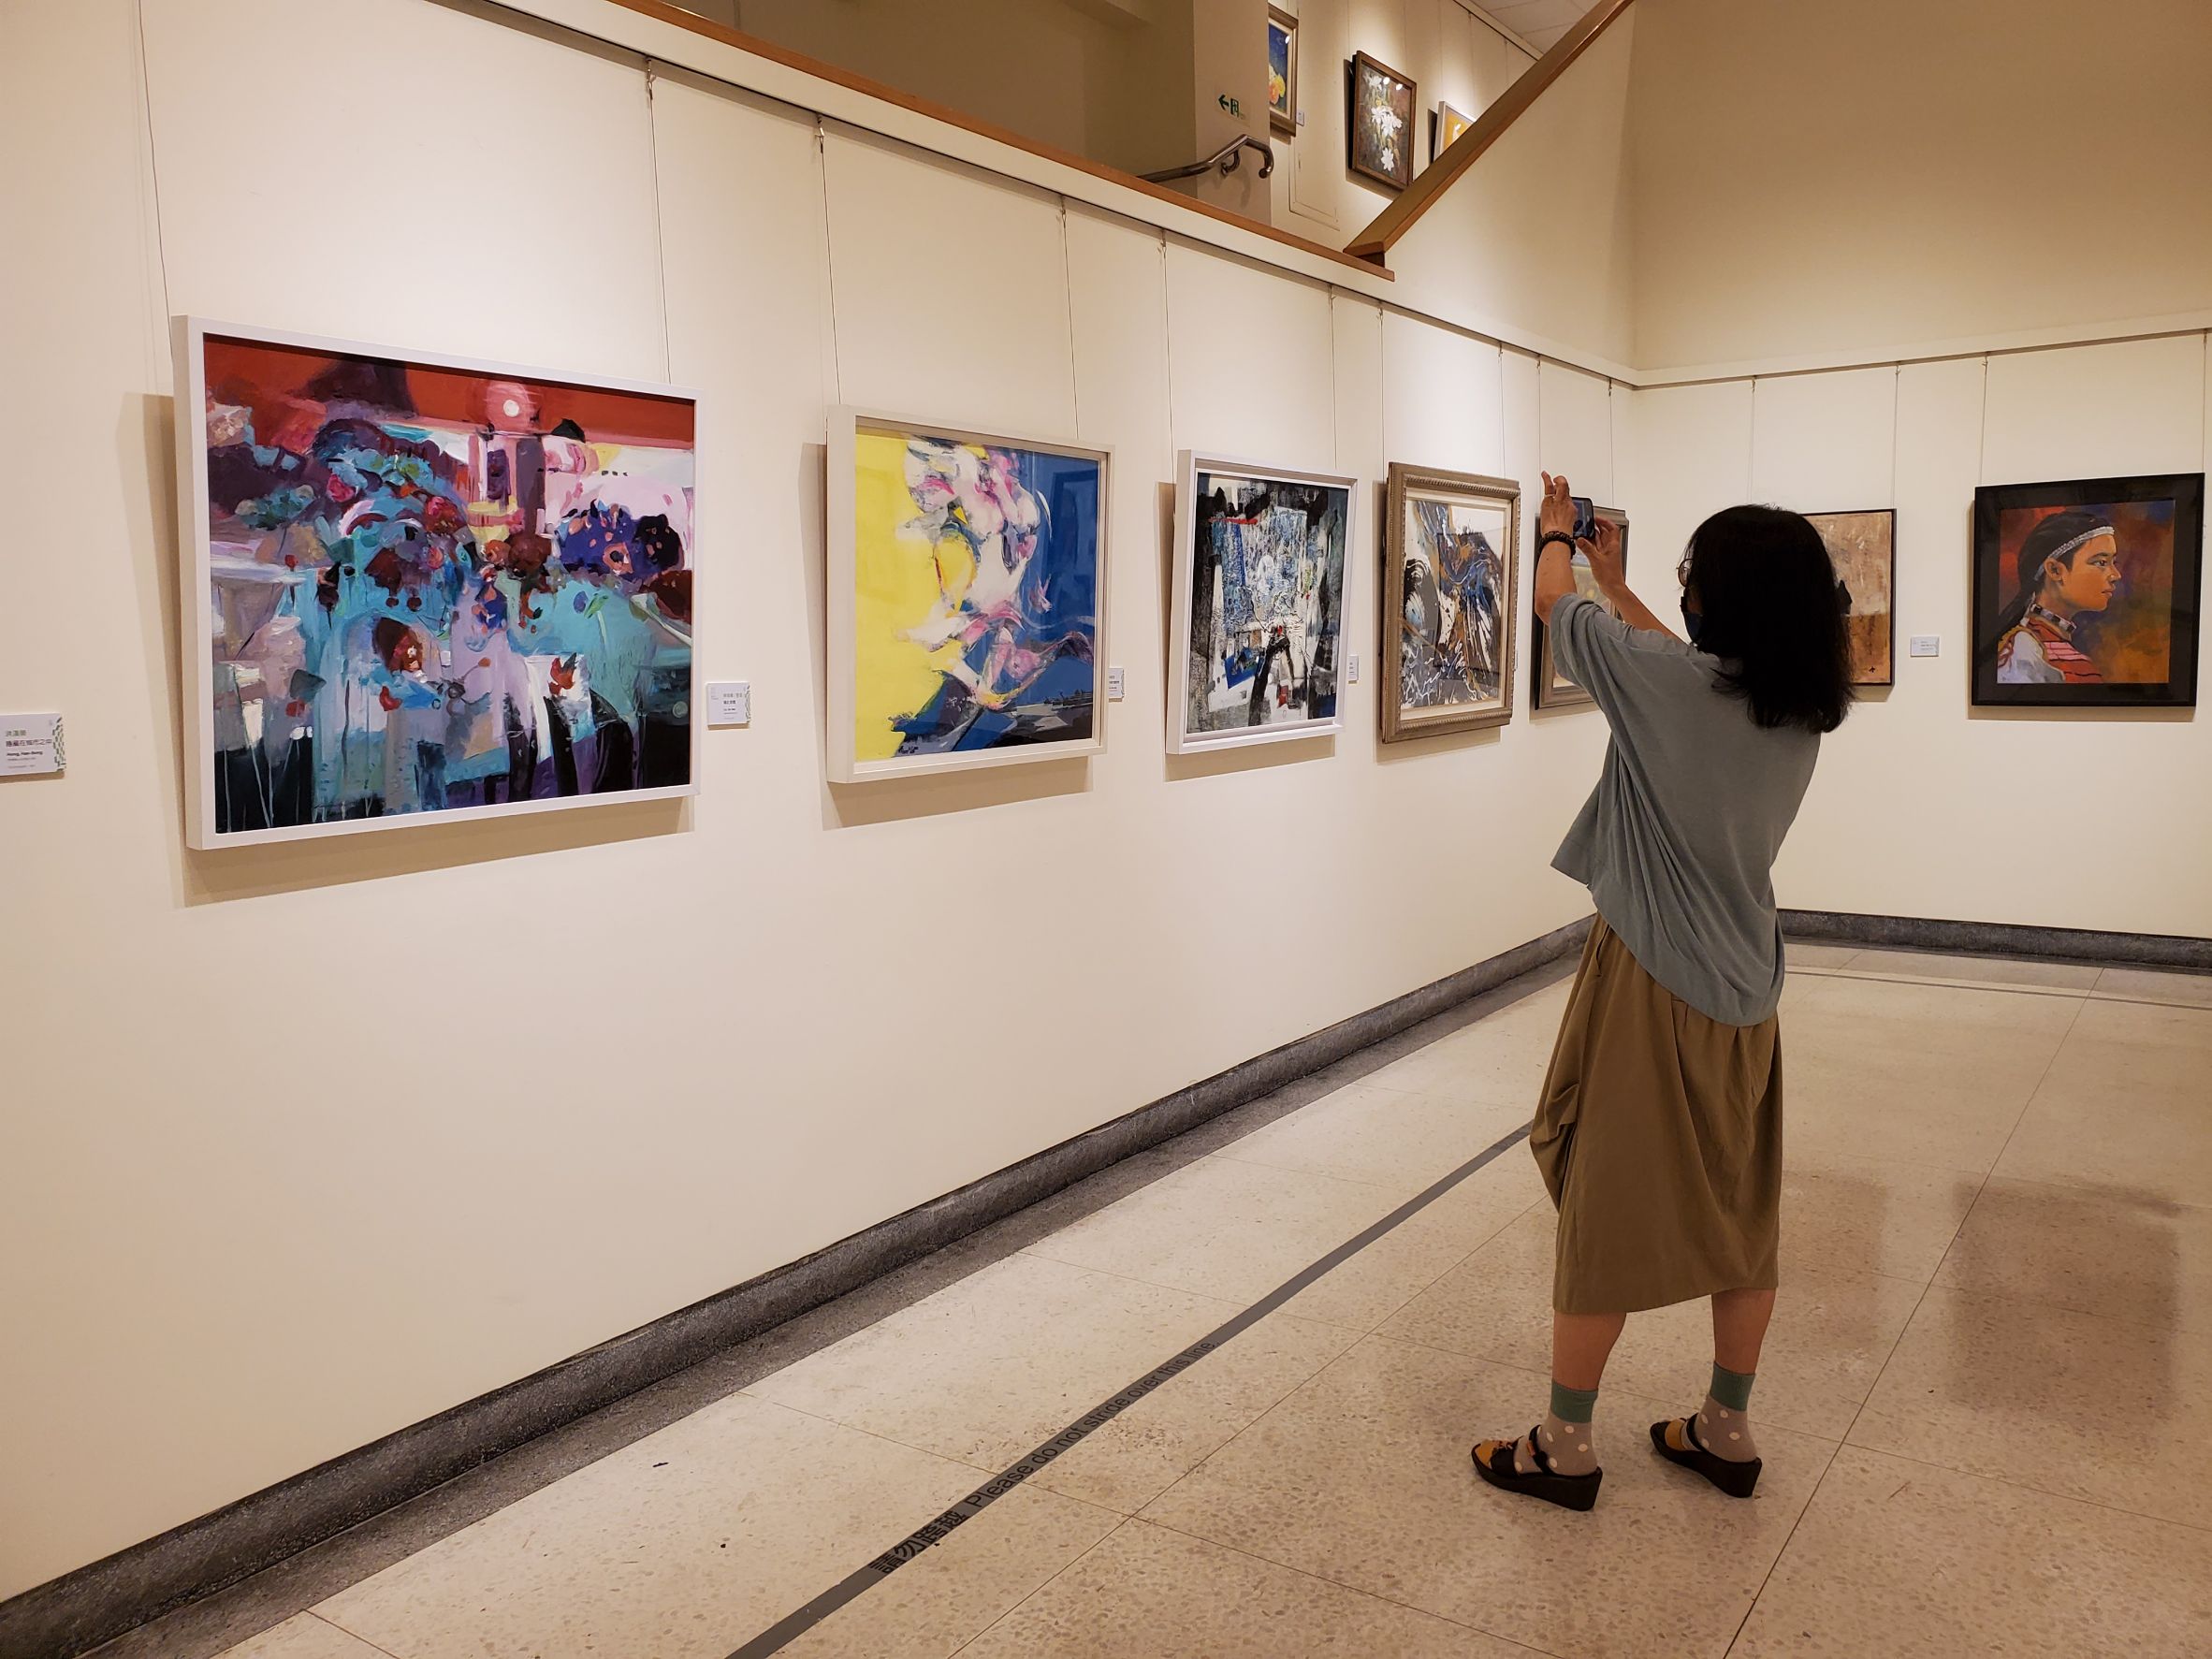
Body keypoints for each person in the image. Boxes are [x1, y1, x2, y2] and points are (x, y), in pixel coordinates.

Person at [1472, 474, 1851, 1511]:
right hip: (1749, 986)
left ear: (1720, 595)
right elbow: (1683, 666)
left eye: (1692, 577)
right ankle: (1725, 1426)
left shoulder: (1668, 688)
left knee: (1605, 1210)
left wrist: (1558, 537)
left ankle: (1564, 1444)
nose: (1682, 593)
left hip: (1651, 980)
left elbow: (1551, 605)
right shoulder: (1794, 709)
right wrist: (1621, 579)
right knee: (1743, 1215)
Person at [1993, 511, 2121, 684]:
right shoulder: (2024, 649)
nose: (2116, 575)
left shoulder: (2053, 647)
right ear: (2055, 570)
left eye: (2114, 563)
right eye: (2101, 562)